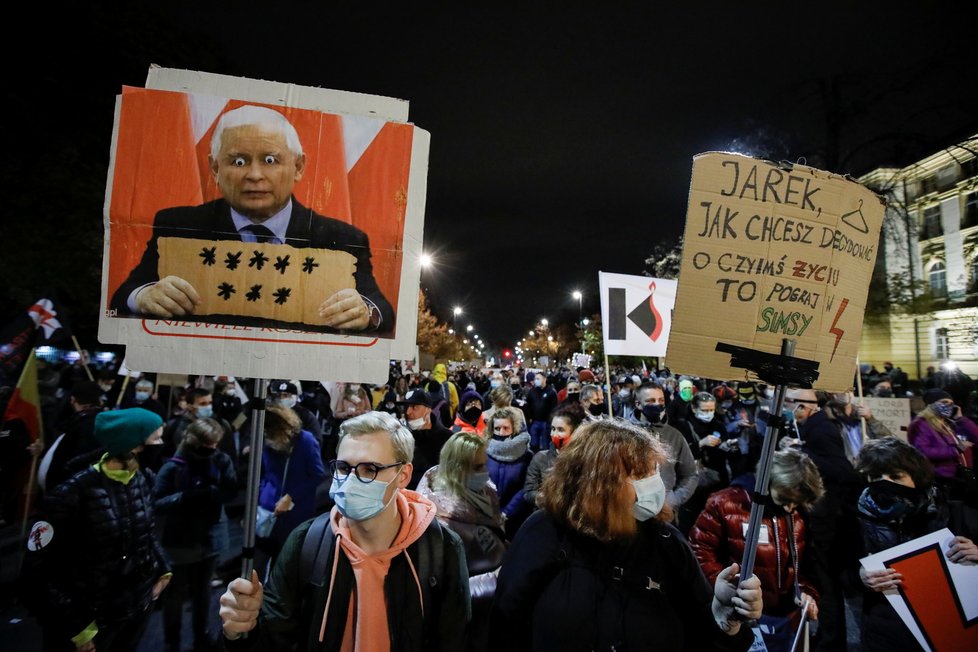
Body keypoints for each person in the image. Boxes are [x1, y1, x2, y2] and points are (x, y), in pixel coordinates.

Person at [109, 104, 393, 332]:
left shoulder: (342, 239)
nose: (254, 175)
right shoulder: (179, 226)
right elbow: (124, 296)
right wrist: (144, 296)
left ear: (298, 166)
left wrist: (365, 311)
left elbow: (381, 309)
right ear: (215, 167)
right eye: (238, 161)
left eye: (270, 160)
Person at [490, 418, 763, 651]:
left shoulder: (666, 541)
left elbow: (702, 634)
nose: (654, 484)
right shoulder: (543, 533)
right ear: (598, 485)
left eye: (653, 472)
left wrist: (723, 619)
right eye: (638, 475)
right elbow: (505, 626)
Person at [218, 411, 470, 650]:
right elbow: (275, 640)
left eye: (369, 470)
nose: (350, 482)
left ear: (403, 476)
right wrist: (240, 632)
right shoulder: (307, 543)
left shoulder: (441, 549)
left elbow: (453, 641)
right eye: (343, 468)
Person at [22, 408, 172, 652]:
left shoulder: (142, 478)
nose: (161, 444)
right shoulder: (69, 495)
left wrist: (162, 569)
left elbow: (144, 532)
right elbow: (35, 575)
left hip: (131, 613)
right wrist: (78, 629)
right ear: (133, 445)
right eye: (156, 438)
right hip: (87, 625)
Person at [689, 449, 824, 652]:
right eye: (785, 498)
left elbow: (805, 563)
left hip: (786, 617)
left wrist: (807, 591)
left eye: (796, 502)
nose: (790, 507)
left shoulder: (797, 513)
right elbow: (700, 551)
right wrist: (727, 591)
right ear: (768, 482)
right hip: (741, 612)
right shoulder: (725, 503)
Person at [854, 437, 978, 651]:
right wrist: (861, 576)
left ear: (916, 478)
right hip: (884, 626)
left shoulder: (954, 512)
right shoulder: (854, 517)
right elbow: (839, 571)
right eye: (876, 477)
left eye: (895, 476)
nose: (885, 483)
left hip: (945, 627)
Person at [417, 431, 507, 652]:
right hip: (465, 622)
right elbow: (444, 590)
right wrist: (498, 578)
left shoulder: (482, 495)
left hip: (489, 613)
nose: (484, 473)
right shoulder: (439, 523)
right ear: (457, 468)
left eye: (484, 465)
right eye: (477, 467)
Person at [154, 417, 238, 652]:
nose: (212, 448)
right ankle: (173, 642)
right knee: (175, 595)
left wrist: (216, 492)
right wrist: (184, 497)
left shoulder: (221, 460)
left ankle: (202, 636)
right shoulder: (174, 466)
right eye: (208, 443)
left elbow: (231, 491)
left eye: (215, 443)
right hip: (181, 541)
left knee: (203, 594)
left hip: (210, 538)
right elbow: (157, 501)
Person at [788, 388, 863, 652]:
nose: (790, 409)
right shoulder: (815, 427)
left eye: (792, 403)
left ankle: (831, 642)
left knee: (826, 585)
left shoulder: (821, 430)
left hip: (828, 520)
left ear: (805, 406)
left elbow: (841, 470)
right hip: (826, 516)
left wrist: (804, 456)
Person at [254, 404, 327, 579]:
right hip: (266, 512)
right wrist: (258, 500)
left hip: (294, 514)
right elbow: (264, 474)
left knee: (284, 567)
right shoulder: (267, 442)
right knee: (257, 565)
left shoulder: (306, 441)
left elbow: (317, 474)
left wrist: (291, 496)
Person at [625, 382, 699, 517]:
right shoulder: (623, 435)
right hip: (629, 514)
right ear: (638, 404)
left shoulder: (674, 435)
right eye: (651, 401)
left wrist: (673, 500)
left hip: (665, 515)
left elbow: (690, 474)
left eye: (661, 401)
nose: (657, 405)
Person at [37, 380, 103, 494]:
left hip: (66, 492)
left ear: (72, 399)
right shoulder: (80, 421)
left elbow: (77, 460)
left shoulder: (86, 424)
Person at [523, 402, 587, 509]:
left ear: (575, 433)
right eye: (553, 429)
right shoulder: (540, 458)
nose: (554, 434)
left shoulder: (584, 459)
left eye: (560, 430)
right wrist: (545, 498)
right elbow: (528, 492)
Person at [486, 407, 533, 538]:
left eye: (506, 428)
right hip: (486, 515)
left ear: (514, 428)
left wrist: (506, 513)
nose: (501, 432)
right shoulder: (483, 451)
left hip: (515, 518)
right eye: (497, 428)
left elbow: (525, 487)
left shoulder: (526, 455)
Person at [398, 388, 453, 489]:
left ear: (428, 409)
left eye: (414, 407)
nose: (408, 412)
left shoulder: (447, 438)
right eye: (406, 407)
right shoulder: (403, 437)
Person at [524, 371, 558, 452]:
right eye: (535, 379)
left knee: (545, 444)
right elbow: (528, 405)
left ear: (544, 379)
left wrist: (551, 421)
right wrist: (529, 417)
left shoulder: (551, 392)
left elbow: (554, 408)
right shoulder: (532, 391)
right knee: (533, 443)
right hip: (534, 421)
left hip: (546, 422)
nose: (536, 380)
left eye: (538, 379)